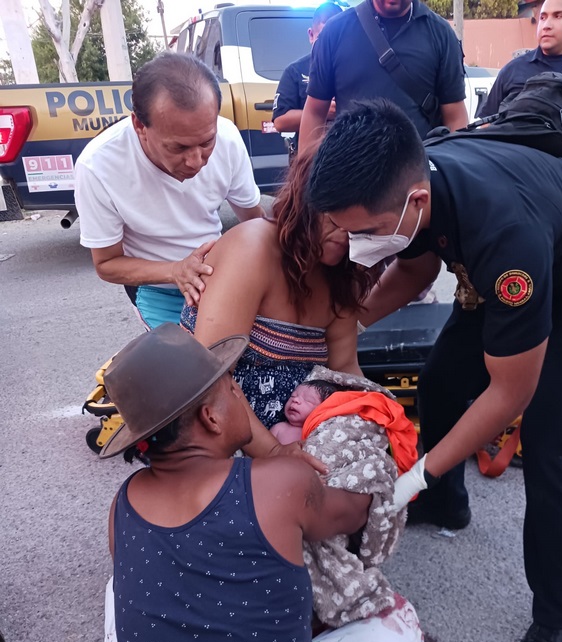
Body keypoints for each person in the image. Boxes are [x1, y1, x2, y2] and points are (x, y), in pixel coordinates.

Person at [307, 99, 562, 642]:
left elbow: (507, 392)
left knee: (551, 448)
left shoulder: (505, 236)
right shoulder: (419, 175)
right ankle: (447, 502)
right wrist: (338, 327)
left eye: (361, 230)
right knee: (440, 382)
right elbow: (414, 270)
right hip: (508, 266)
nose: (352, 241)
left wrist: (411, 476)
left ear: (413, 202)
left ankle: (558, 620)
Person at [90, 322, 423, 642]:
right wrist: (361, 452)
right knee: (398, 619)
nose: (240, 394)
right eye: (232, 387)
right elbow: (352, 510)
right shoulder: (276, 482)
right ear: (211, 417)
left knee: (120, 588)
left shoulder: (123, 506)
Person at [180, 149, 375, 442]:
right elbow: (213, 380)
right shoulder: (251, 248)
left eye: (361, 227)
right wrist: (273, 453)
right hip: (217, 428)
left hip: (296, 431)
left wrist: (375, 415)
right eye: (335, 220)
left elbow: (344, 367)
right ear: (308, 203)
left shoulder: (345, 274)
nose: (346, 235)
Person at [74, 51, 263, 329]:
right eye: (179, 147)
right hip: (156, 287)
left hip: (222, 276)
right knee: (197, 366)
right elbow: (107, 264)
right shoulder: (98, 166)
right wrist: (176, 271)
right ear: (140, 125)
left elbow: (254, 221)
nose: (196, 161)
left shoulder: (228, 137)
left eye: (206, 142)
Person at [298, 0, 468, 152]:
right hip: (352, 174)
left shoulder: (441, 33)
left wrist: (456, 175)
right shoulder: (335, 32)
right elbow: (314, 111)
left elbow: (455, 118)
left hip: (420, 177)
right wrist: (306, 177)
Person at [480, 0, 562, 117]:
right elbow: (487, 124)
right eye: (543, 17)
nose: (546, 25)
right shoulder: (513, 70)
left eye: (557, 16)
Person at [272, 2, 342, 156]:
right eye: (323, 38)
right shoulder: (295, 71)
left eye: (336, 38)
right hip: (311, 159)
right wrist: (321, 111)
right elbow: (280, 121)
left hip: (349, 160)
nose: (329, 46)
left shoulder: (355, 68)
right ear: (311, 35)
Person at [271, 378, 341, 443]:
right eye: (293, 396)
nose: (295, 400)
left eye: (308, 400)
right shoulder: (279, 428)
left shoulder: (321, 432)